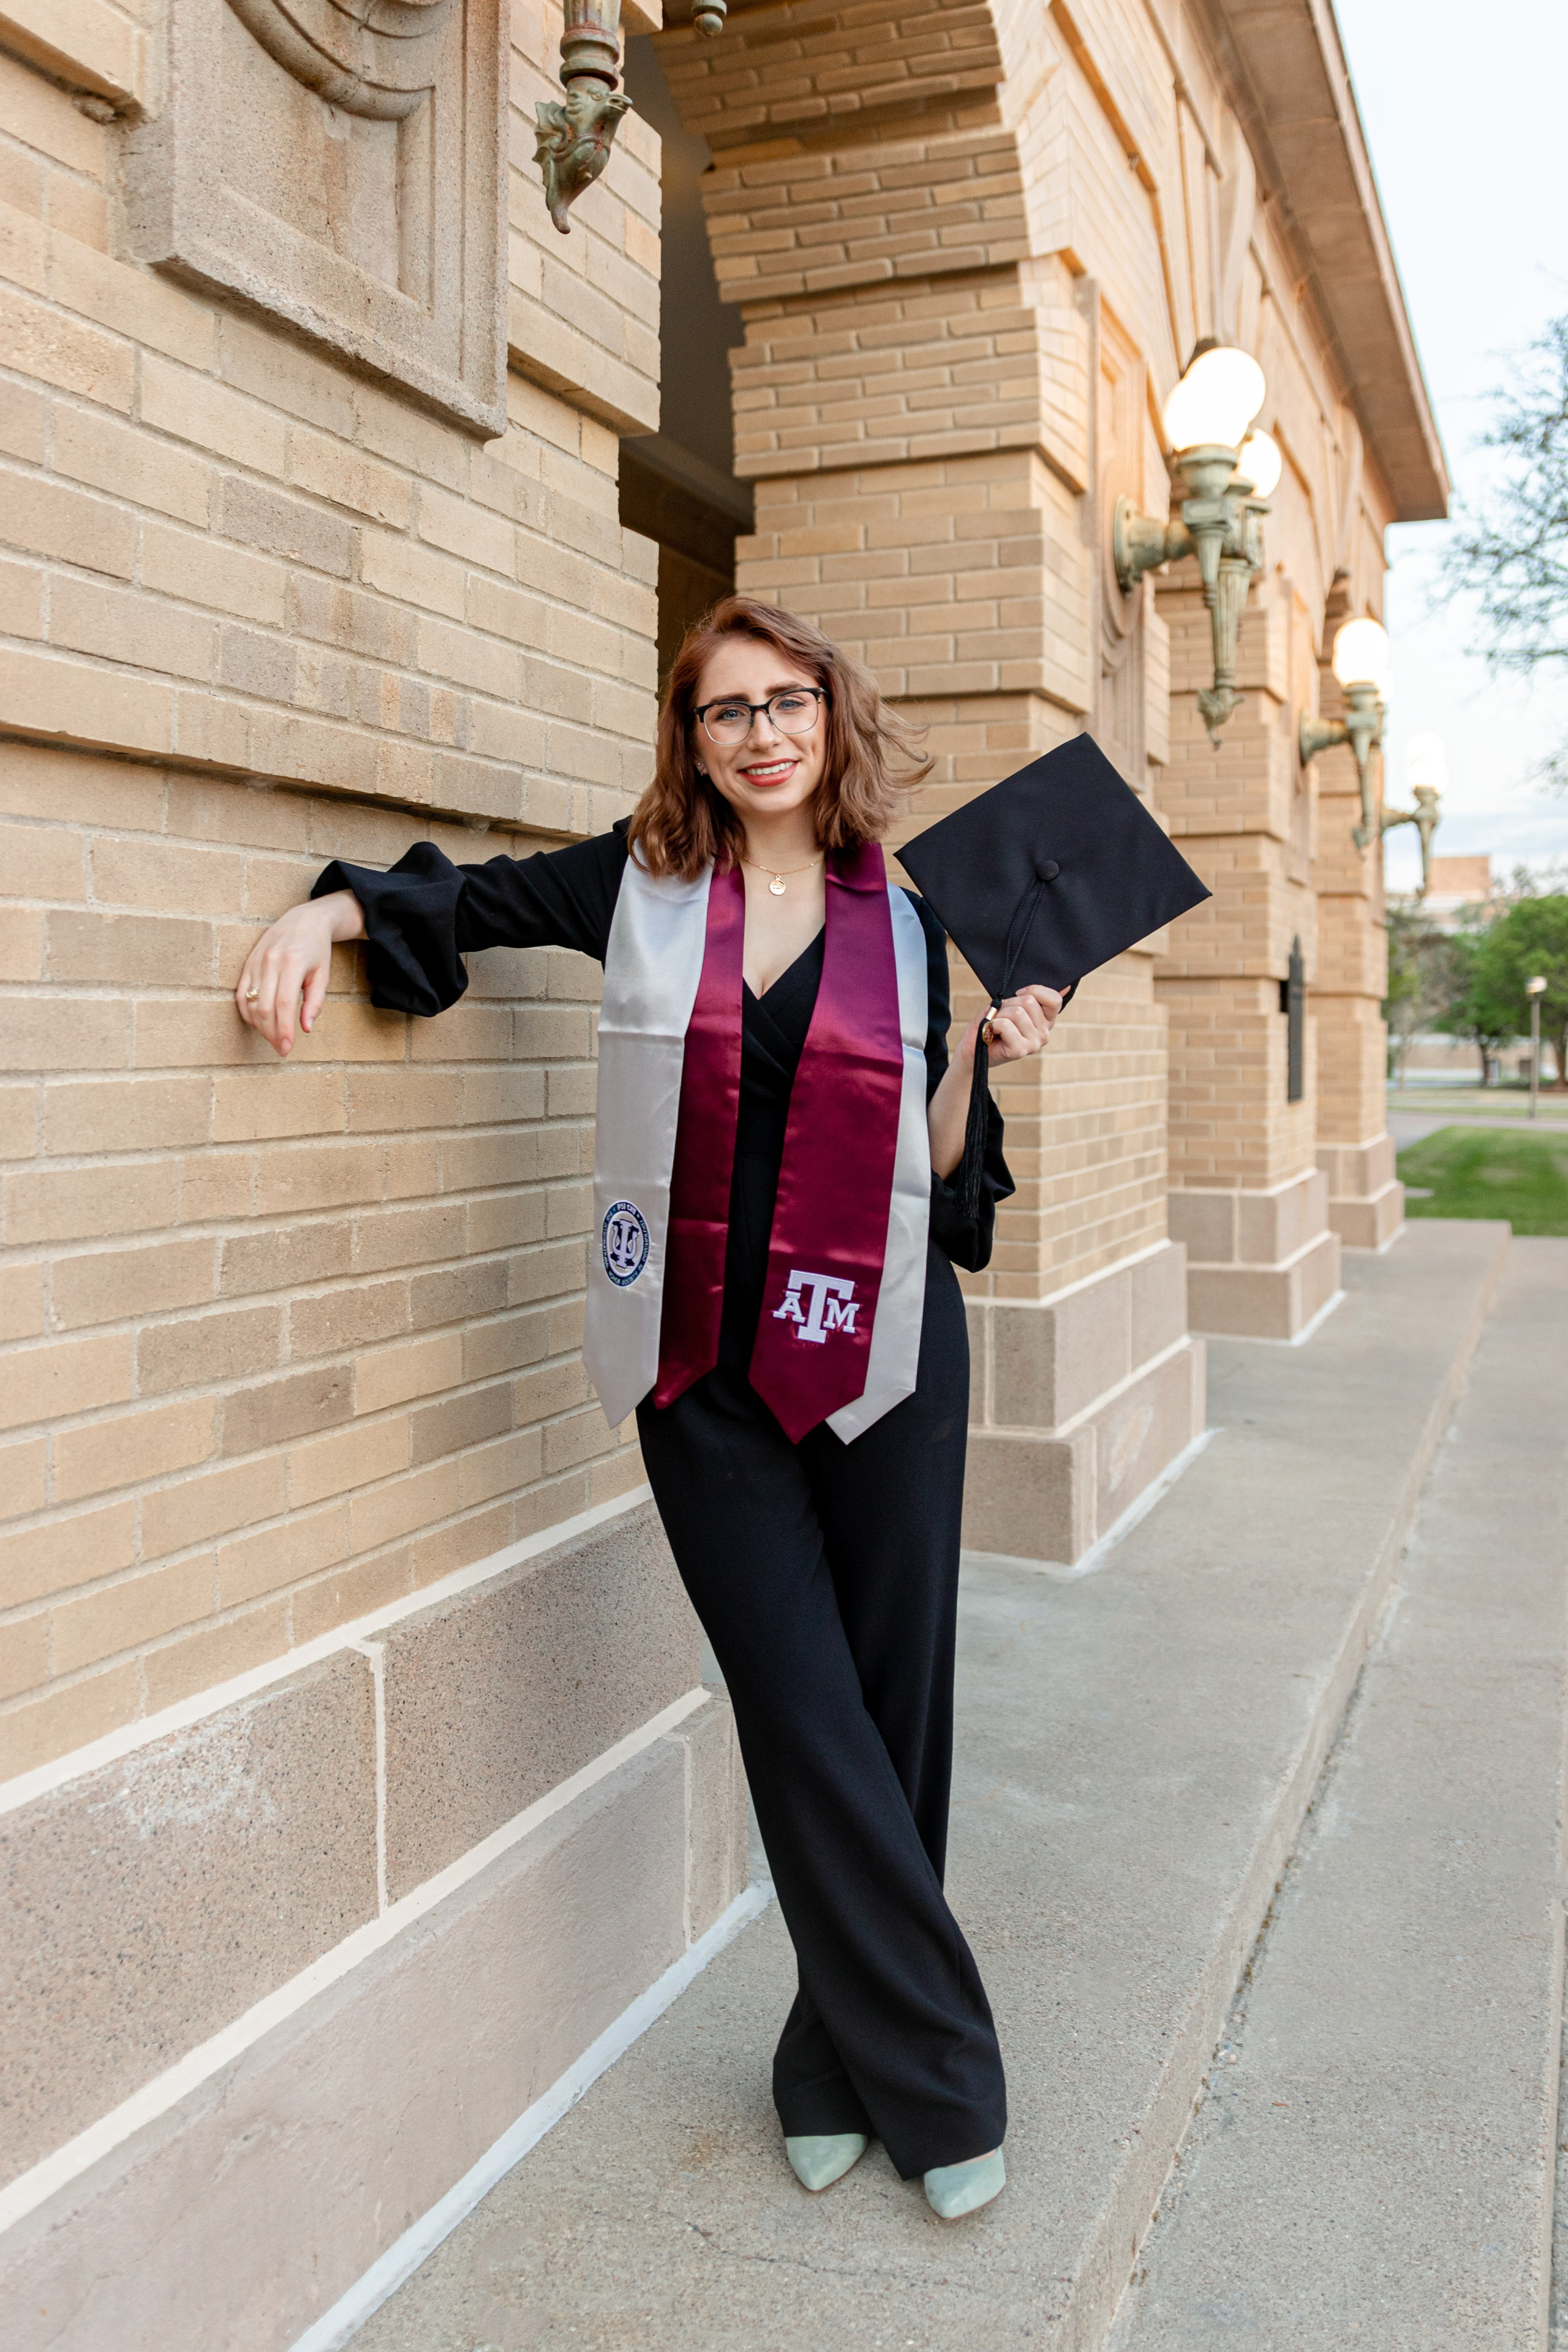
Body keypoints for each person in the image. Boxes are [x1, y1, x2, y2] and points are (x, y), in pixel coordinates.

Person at [236, 596, 1060, 2221]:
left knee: (895, 1707)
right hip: (698, 1372)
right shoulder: (639, 884)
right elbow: (459, 906)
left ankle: (829, 2063)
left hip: (886, 1344)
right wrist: (320, 922)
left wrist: (987, 1061)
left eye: (787, 702)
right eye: (724, 709)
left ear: (833, 717)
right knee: (797, 1702)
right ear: (687, 738)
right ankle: (951, 2075)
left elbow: (947, 1181)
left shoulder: (910, 908)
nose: (760, 733)